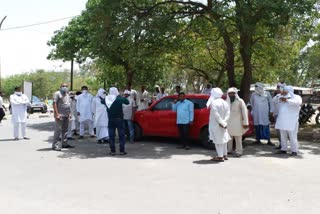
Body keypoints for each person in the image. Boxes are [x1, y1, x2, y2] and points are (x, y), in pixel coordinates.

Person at [275, 86, 302, 156]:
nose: (284, 91)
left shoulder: (296, 97)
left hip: (292, 121)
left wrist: (287, 100)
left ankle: (294, 151)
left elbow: (298, 102)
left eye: (285, 90)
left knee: (292, 136)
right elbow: (274, 100)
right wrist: (279, 94)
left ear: (289, 91)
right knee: (283, 136)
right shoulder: (280, 97)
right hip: (282, 120)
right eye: (283, 90)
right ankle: (283, 149)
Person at [207, 88, 231, 162]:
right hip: (223, 124)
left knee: (218, 141)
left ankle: (220, 157)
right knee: (223, 140)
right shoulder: (225, 102)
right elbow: (228, 113)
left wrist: (221, 123)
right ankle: (225, 155)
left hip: (217, 124)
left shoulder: (214, 103)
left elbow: (216, 115)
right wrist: (224, 122)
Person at [106, 87, 129, 155]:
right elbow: (127, 102)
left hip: (111, 119)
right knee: (121, 135)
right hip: (119, 119)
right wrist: (119, 95)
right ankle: (122, 151)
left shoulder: (107, 99)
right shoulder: (119, 98)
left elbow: (102, 101)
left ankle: (112, 151)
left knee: (111, 136)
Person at [226, 87, 249, 157]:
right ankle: (229, 150)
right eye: (229, 93)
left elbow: (244, 112)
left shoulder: (240, 101)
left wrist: (245, 123)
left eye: (233, 93)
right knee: (228, 137)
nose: (231, 94)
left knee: (238, 138)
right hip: (229, 122)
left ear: (235, 94)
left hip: (238, 123)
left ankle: (239, 152)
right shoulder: (226, 101)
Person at [52, 83, 73, 151]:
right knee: (58, 130)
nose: (65, 87)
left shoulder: (67, 94)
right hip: (60, 115)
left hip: (66, 115)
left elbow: (68, 104)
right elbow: (54, 103)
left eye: (66, 86)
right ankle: (55, 146)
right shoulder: (57, 93)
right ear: (60, 87)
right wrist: (57, 114)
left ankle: (64, 143)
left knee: (65, 130)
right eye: (63, 86)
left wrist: (69, 113)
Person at [271, 82, 286, 149]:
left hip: (286, 116)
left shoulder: (288, 96)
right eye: (278, 87)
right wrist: (271, 116)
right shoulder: (275, 97)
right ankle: (281, 144)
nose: (278, 89)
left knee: (285, 131)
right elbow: (272, 108)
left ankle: (285, 145)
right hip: (277, 116)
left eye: (279, 87)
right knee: (278, 131)